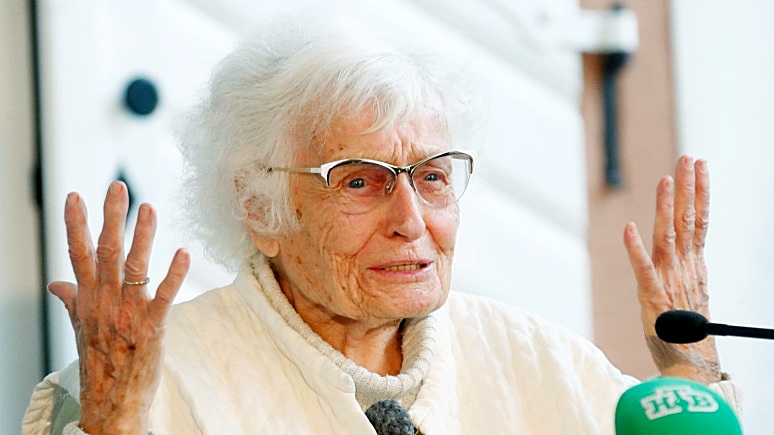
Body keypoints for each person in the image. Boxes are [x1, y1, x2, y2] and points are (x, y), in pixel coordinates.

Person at [23, 16, 739, 434]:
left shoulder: (536, 359)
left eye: (432, 177)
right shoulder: (145, 385)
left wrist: (694, 375)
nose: (410, 221)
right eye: (359, 181)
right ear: (259, 207)